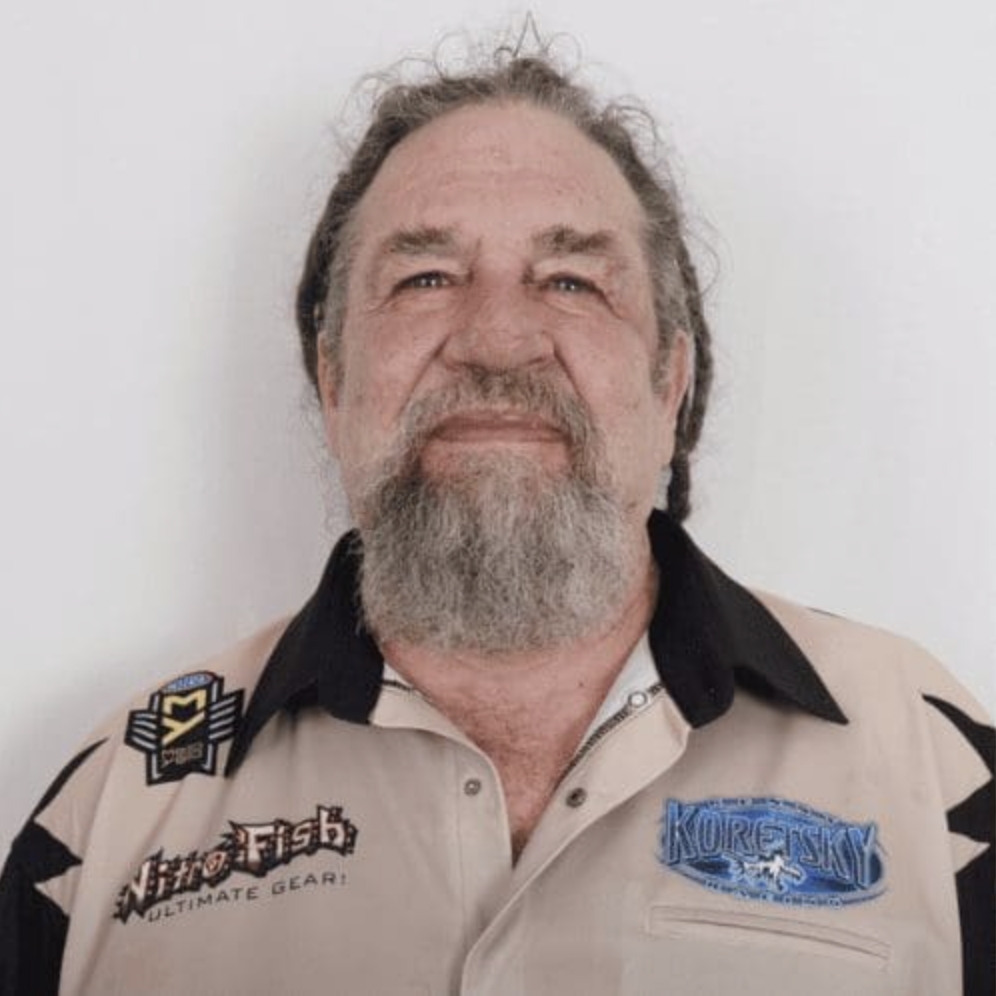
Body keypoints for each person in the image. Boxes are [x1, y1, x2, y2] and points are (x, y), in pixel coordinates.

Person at [1, 37, 992, 996]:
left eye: (571, 280)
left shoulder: (939, 778)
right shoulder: (116, 811)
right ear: (332, 377)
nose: (499, 338)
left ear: (670, 384)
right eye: (425, 277)